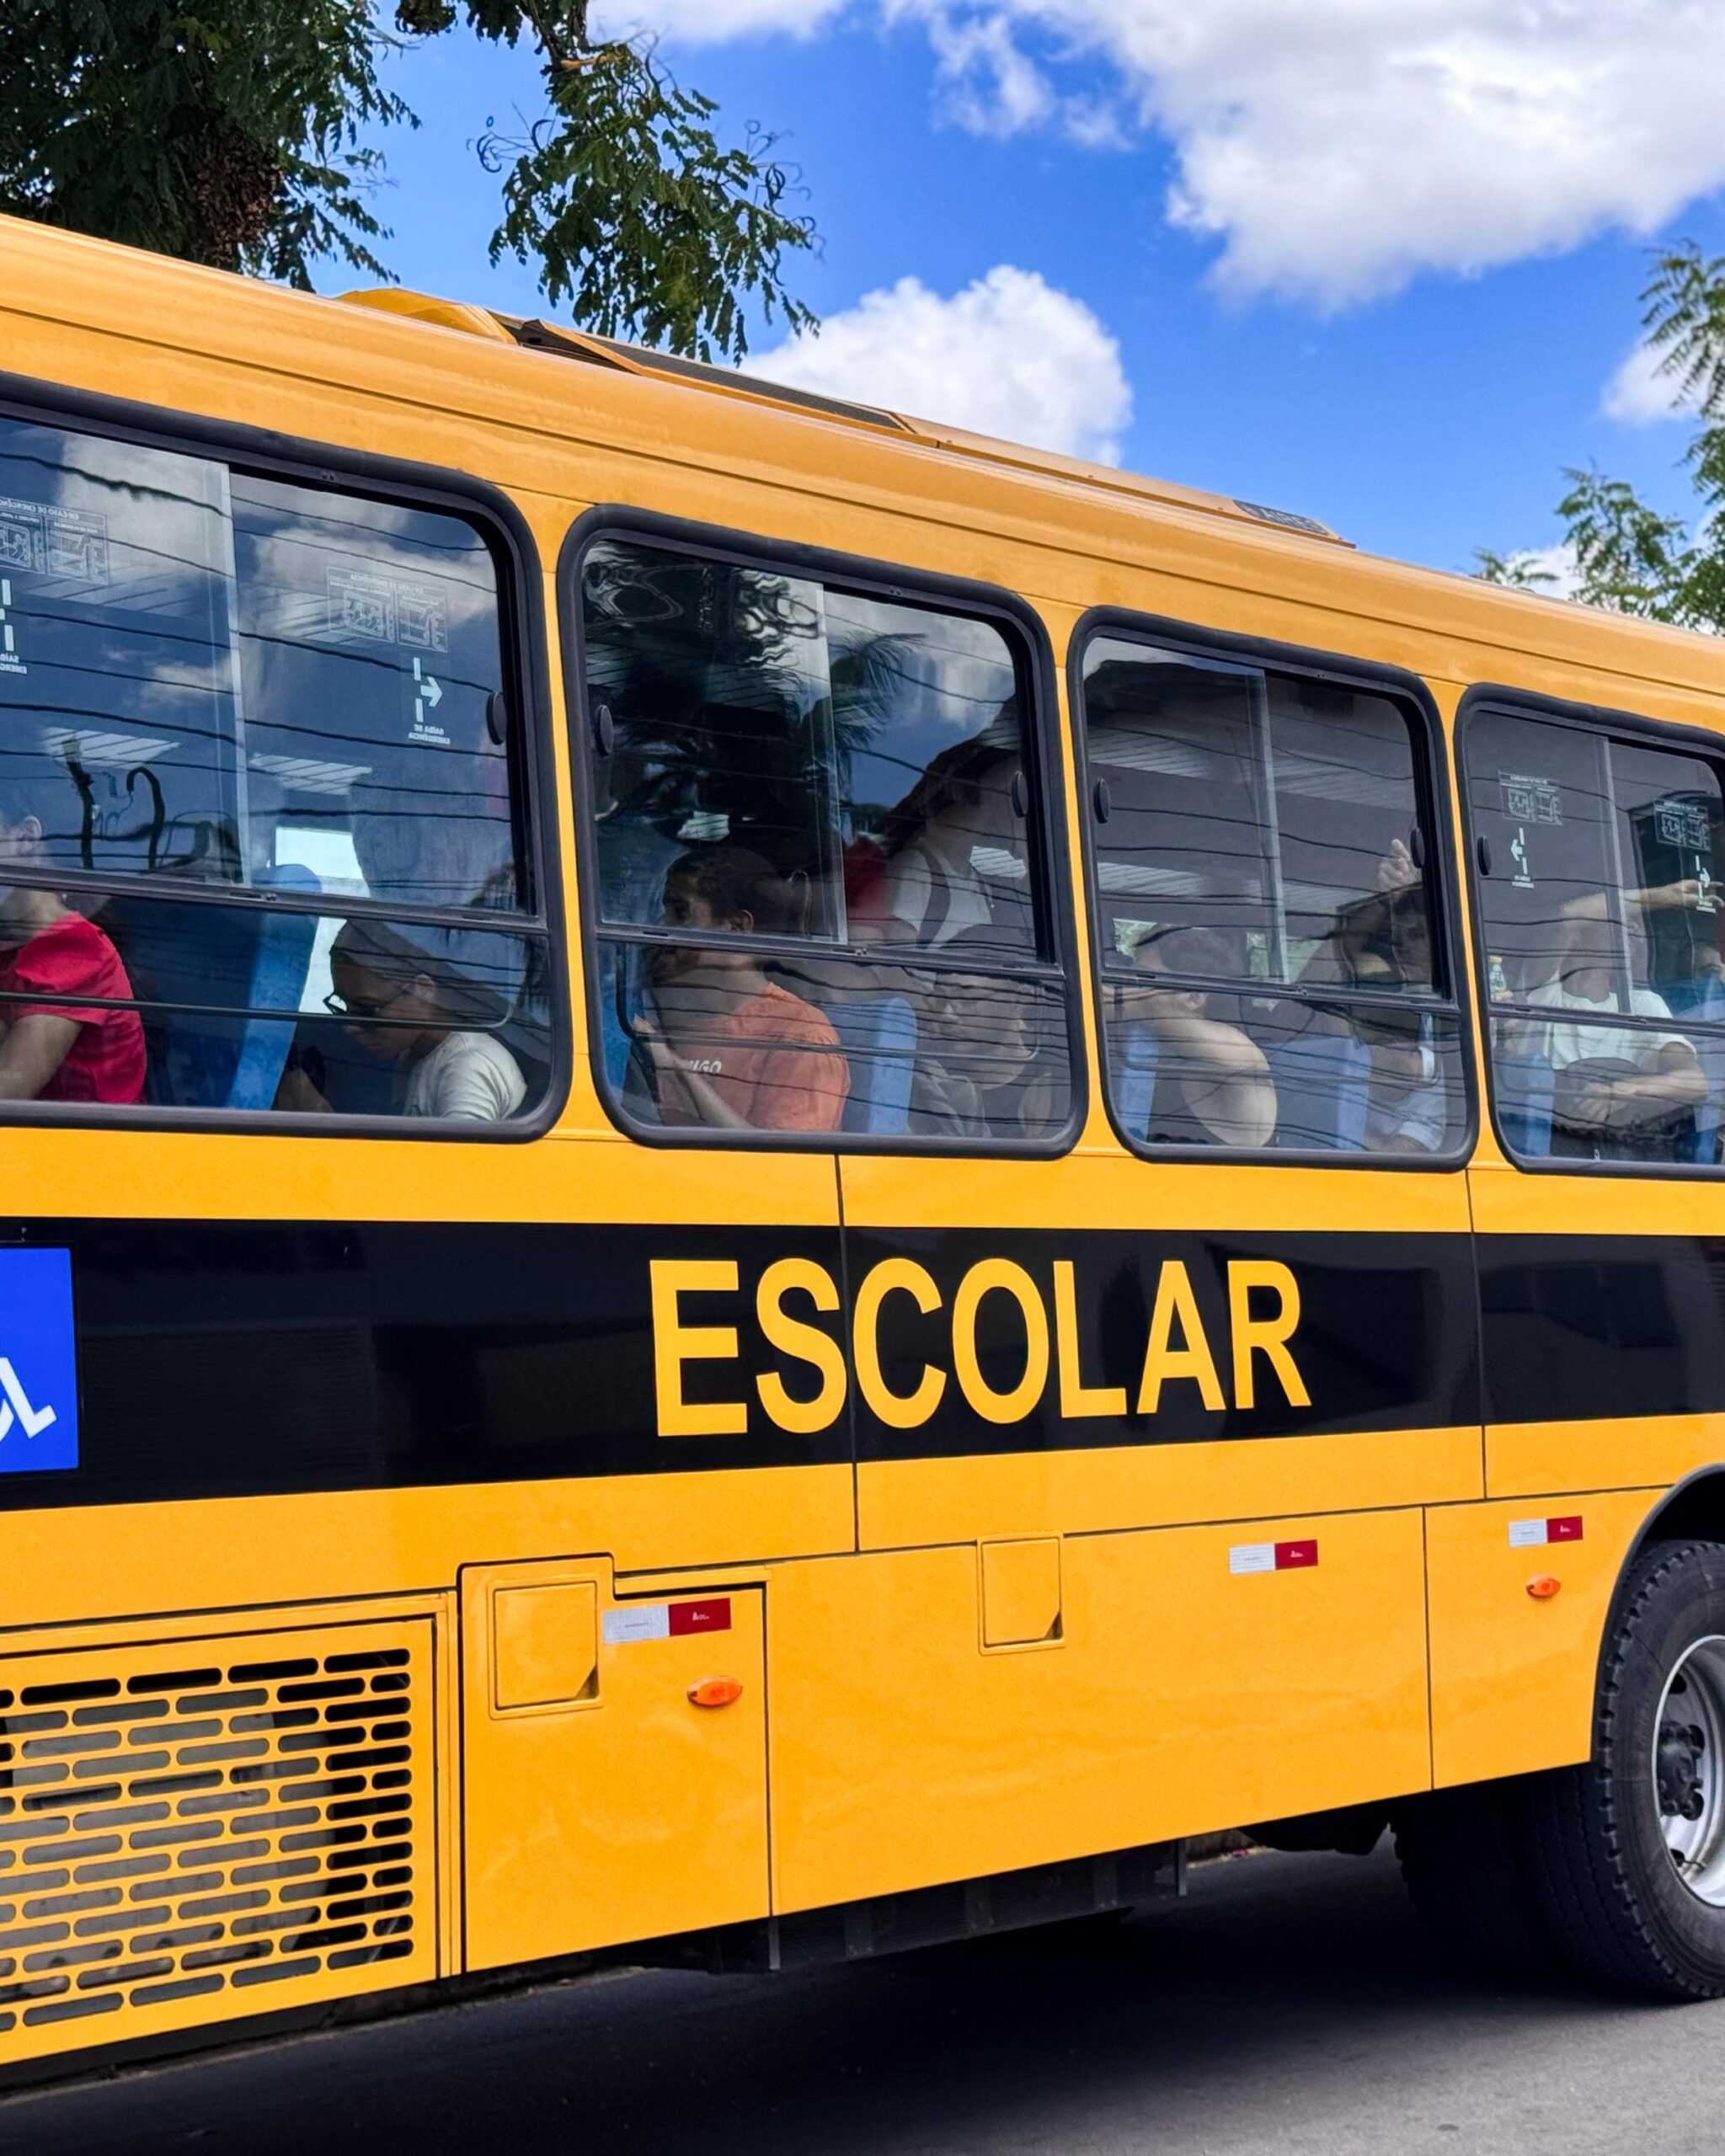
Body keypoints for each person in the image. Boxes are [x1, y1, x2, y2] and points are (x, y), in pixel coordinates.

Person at [633, 847, 850, 1133]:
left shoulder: (801, 1035)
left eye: (681, 913)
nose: (664, 928)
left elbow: (780, 1158)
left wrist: (675, 1069)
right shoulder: (665, 1012)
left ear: (737, 928)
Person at [1506, 891, 1705, 1158]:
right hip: (1545, 1152)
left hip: (1619, 1153)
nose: (1633, 929)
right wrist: (1665, 894)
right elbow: (1571, 914)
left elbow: (1694, 1082)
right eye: (1618, 920)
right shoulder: (1541, 992)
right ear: (1578, 937)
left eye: (1636, 924)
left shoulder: (1644, 1005)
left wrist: (1622, 1091)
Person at [278, 919, 526, 1121]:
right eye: (343, 1005)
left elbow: (459, 1167)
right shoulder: (414, 1054)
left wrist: (320, 1117)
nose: (350, 1027)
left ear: (423, 990)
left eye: (367, 1009)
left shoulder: (468, 1067)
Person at [0, 785, 145, 1104]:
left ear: (25, 838)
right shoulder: (14, 945)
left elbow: (7, 1094)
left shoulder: (78, 954)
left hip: (92, 1136)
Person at [1116, 924, 1276, 1147]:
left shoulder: (1240, 1055)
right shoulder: (1154, 1051)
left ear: (1193, 998)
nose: (1128, 983)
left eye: (1144, 976)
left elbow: (1140, 1005)